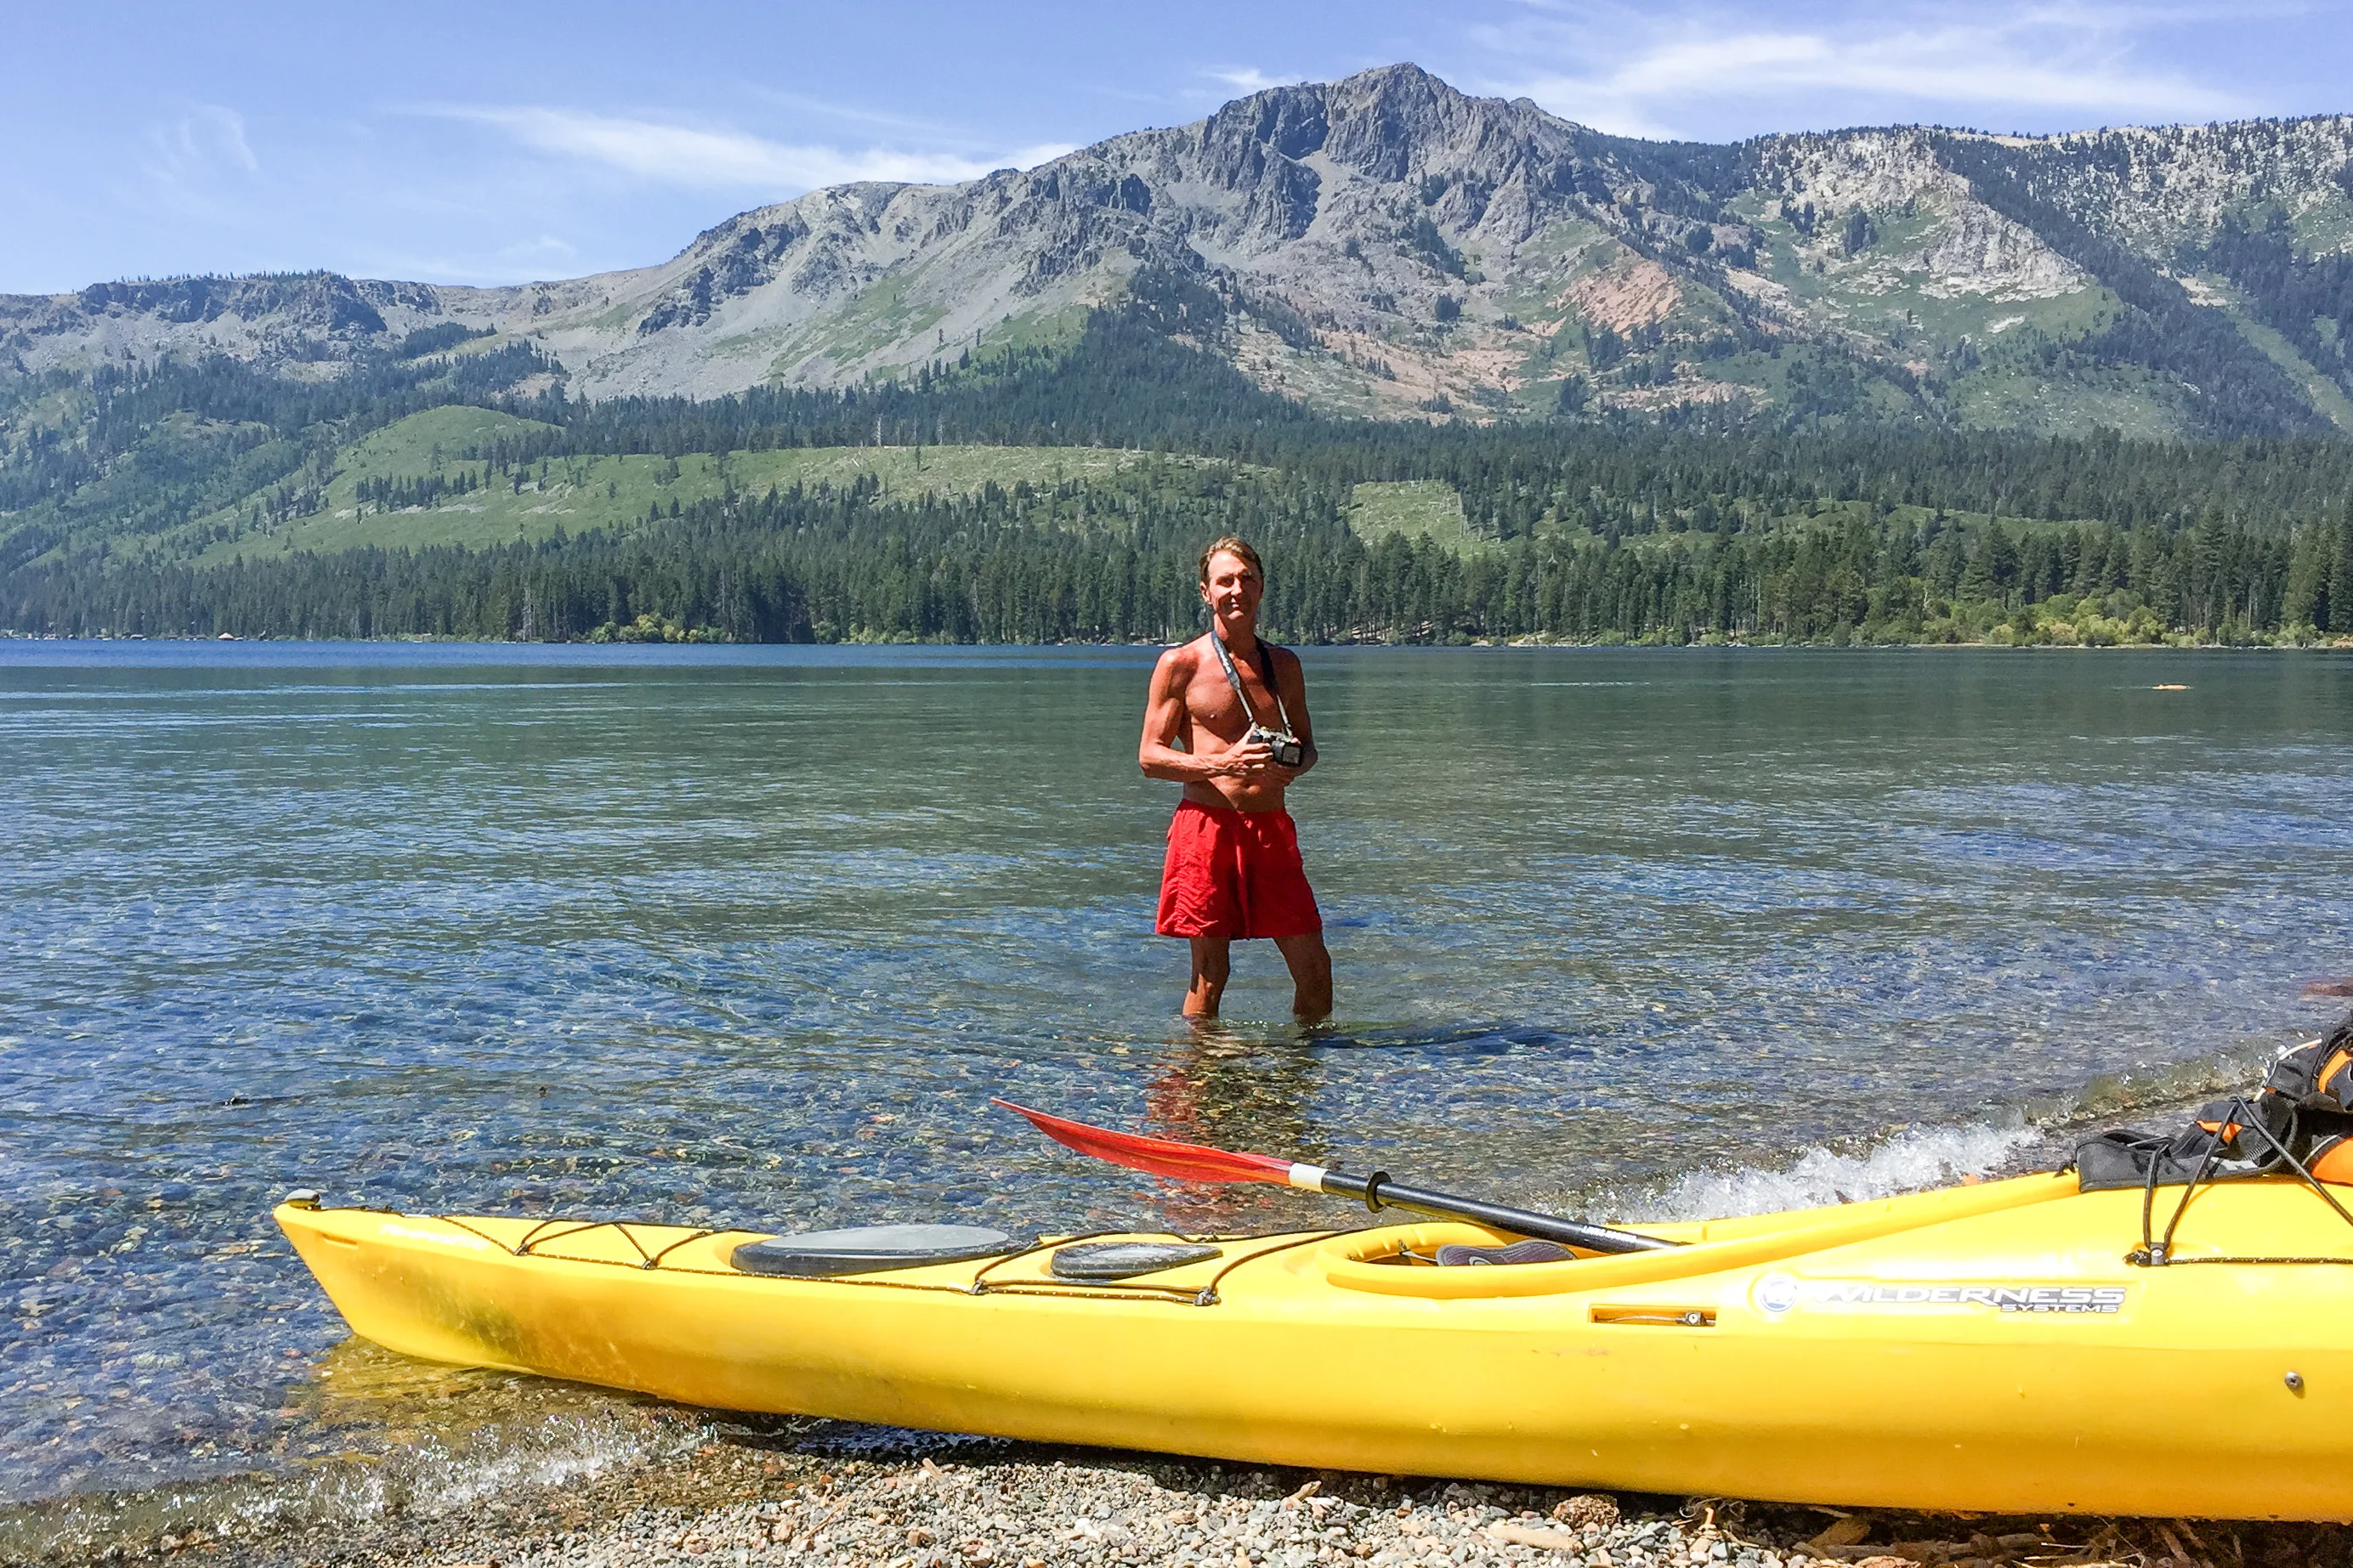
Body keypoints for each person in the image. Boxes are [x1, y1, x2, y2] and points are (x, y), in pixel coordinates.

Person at [1138, 535, 1334, 1022]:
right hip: (1206, 828)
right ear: (1206, 592)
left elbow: (1308, 747)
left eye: (1247, 579)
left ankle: (1304, 1063)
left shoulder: (1283, 665)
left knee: (1314, 969)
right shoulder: (1180, 664)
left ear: (1261, 588)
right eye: (1225, 581)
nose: (1236, 590)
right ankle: (1200, 1068)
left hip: (1270, 829)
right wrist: (1224, 764)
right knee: (1211, 973)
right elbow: (1150, 757)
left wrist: (1294, 767)